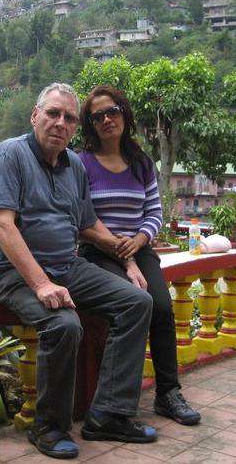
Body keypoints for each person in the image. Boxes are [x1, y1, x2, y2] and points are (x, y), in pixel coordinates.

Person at [0, 83, 156, 460]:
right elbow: (2, 225)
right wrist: (41, 284)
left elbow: (88, 225)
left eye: (69, 118)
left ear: (75, 127)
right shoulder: (11, 153)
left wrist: (126, 258)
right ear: (35, 116)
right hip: (8, 270)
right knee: (64, 324)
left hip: (65, 266)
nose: (60, 123)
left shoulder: (74, 166)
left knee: (137, 302)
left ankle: (108, 415)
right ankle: (49, 427)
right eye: (53, 113)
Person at [78, 85, 208, 425]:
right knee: (135, 303)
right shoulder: (81, 164)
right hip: (98, 250)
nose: (107, 120)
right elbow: (81, 217)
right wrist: (122, 253)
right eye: (98, 116)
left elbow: (154, 212)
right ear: (90, 124)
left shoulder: (141, 163)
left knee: (161, 307)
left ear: (124, 114)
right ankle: (117, 399)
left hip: (139, 247)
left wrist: (138, 241)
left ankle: (168, 393)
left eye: (113, 112)